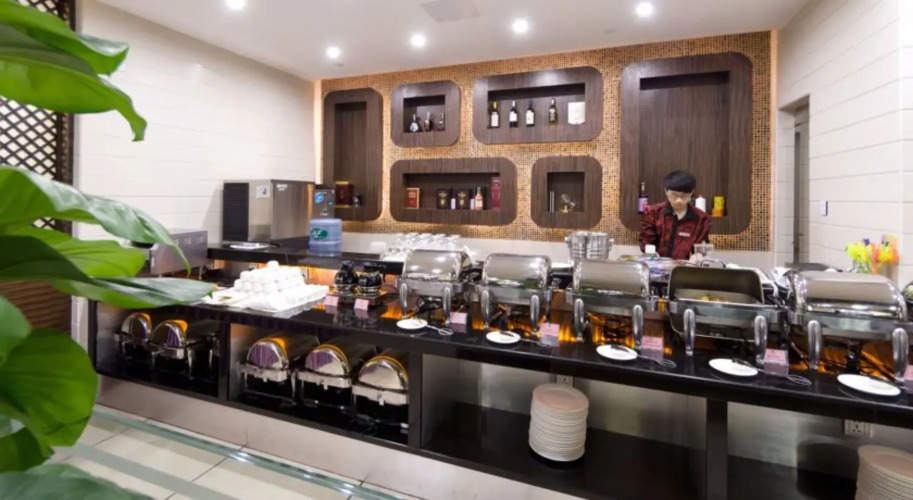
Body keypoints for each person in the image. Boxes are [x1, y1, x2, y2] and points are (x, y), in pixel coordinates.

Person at [639, 171, 711, 260]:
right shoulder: (653, 213)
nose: (679, 200)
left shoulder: (702, 219)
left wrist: (698, 256)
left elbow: (702, 247)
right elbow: (646, 241)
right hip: (657, 265)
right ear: (666, 191)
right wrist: (651, 253)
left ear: (691, 193)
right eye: (674, 195)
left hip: (686, 267)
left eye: (684, 196)